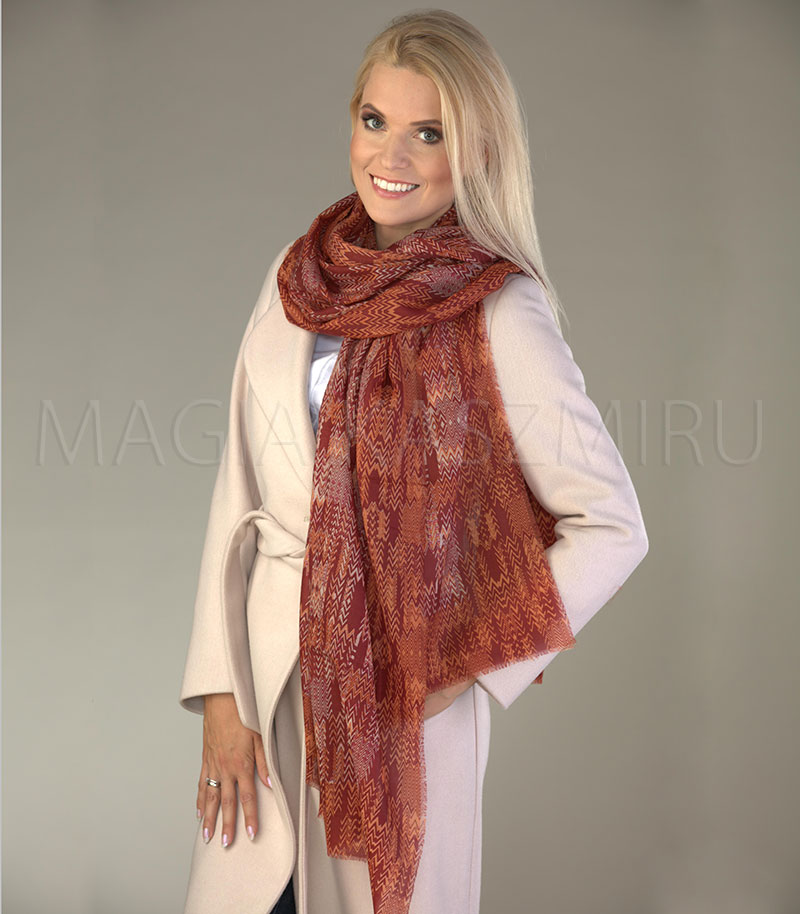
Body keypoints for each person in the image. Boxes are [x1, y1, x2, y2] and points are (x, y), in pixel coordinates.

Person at [178, 10, 649, 914]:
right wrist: (221, 701)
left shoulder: (498, 308)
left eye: (428, 133)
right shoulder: (297, 277)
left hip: (396, 702)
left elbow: (612, 526)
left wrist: (467, 663)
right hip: (266, 680)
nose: (390, 155)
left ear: (476, 150)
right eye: (375, 121)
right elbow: (237, 490)